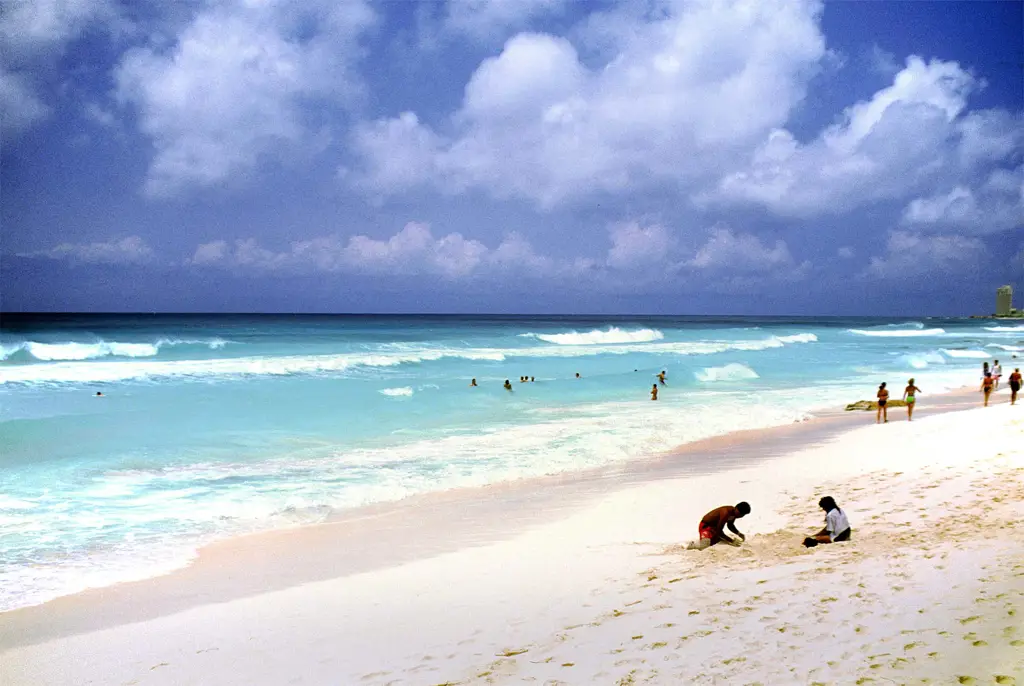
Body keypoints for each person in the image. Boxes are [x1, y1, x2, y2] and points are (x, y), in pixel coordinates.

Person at [686, 502, 751, 550]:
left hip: (714, 528)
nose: (740, 516)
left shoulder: (733, 514)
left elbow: (730, 525)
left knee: (716, 543)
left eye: (743, 515)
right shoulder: (726, 512)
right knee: (704, 546)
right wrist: (731, 540)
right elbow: (719, 531)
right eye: (740, 514)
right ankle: (692, 545)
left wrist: (739, 533)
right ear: (736, 508)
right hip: (706, 526)